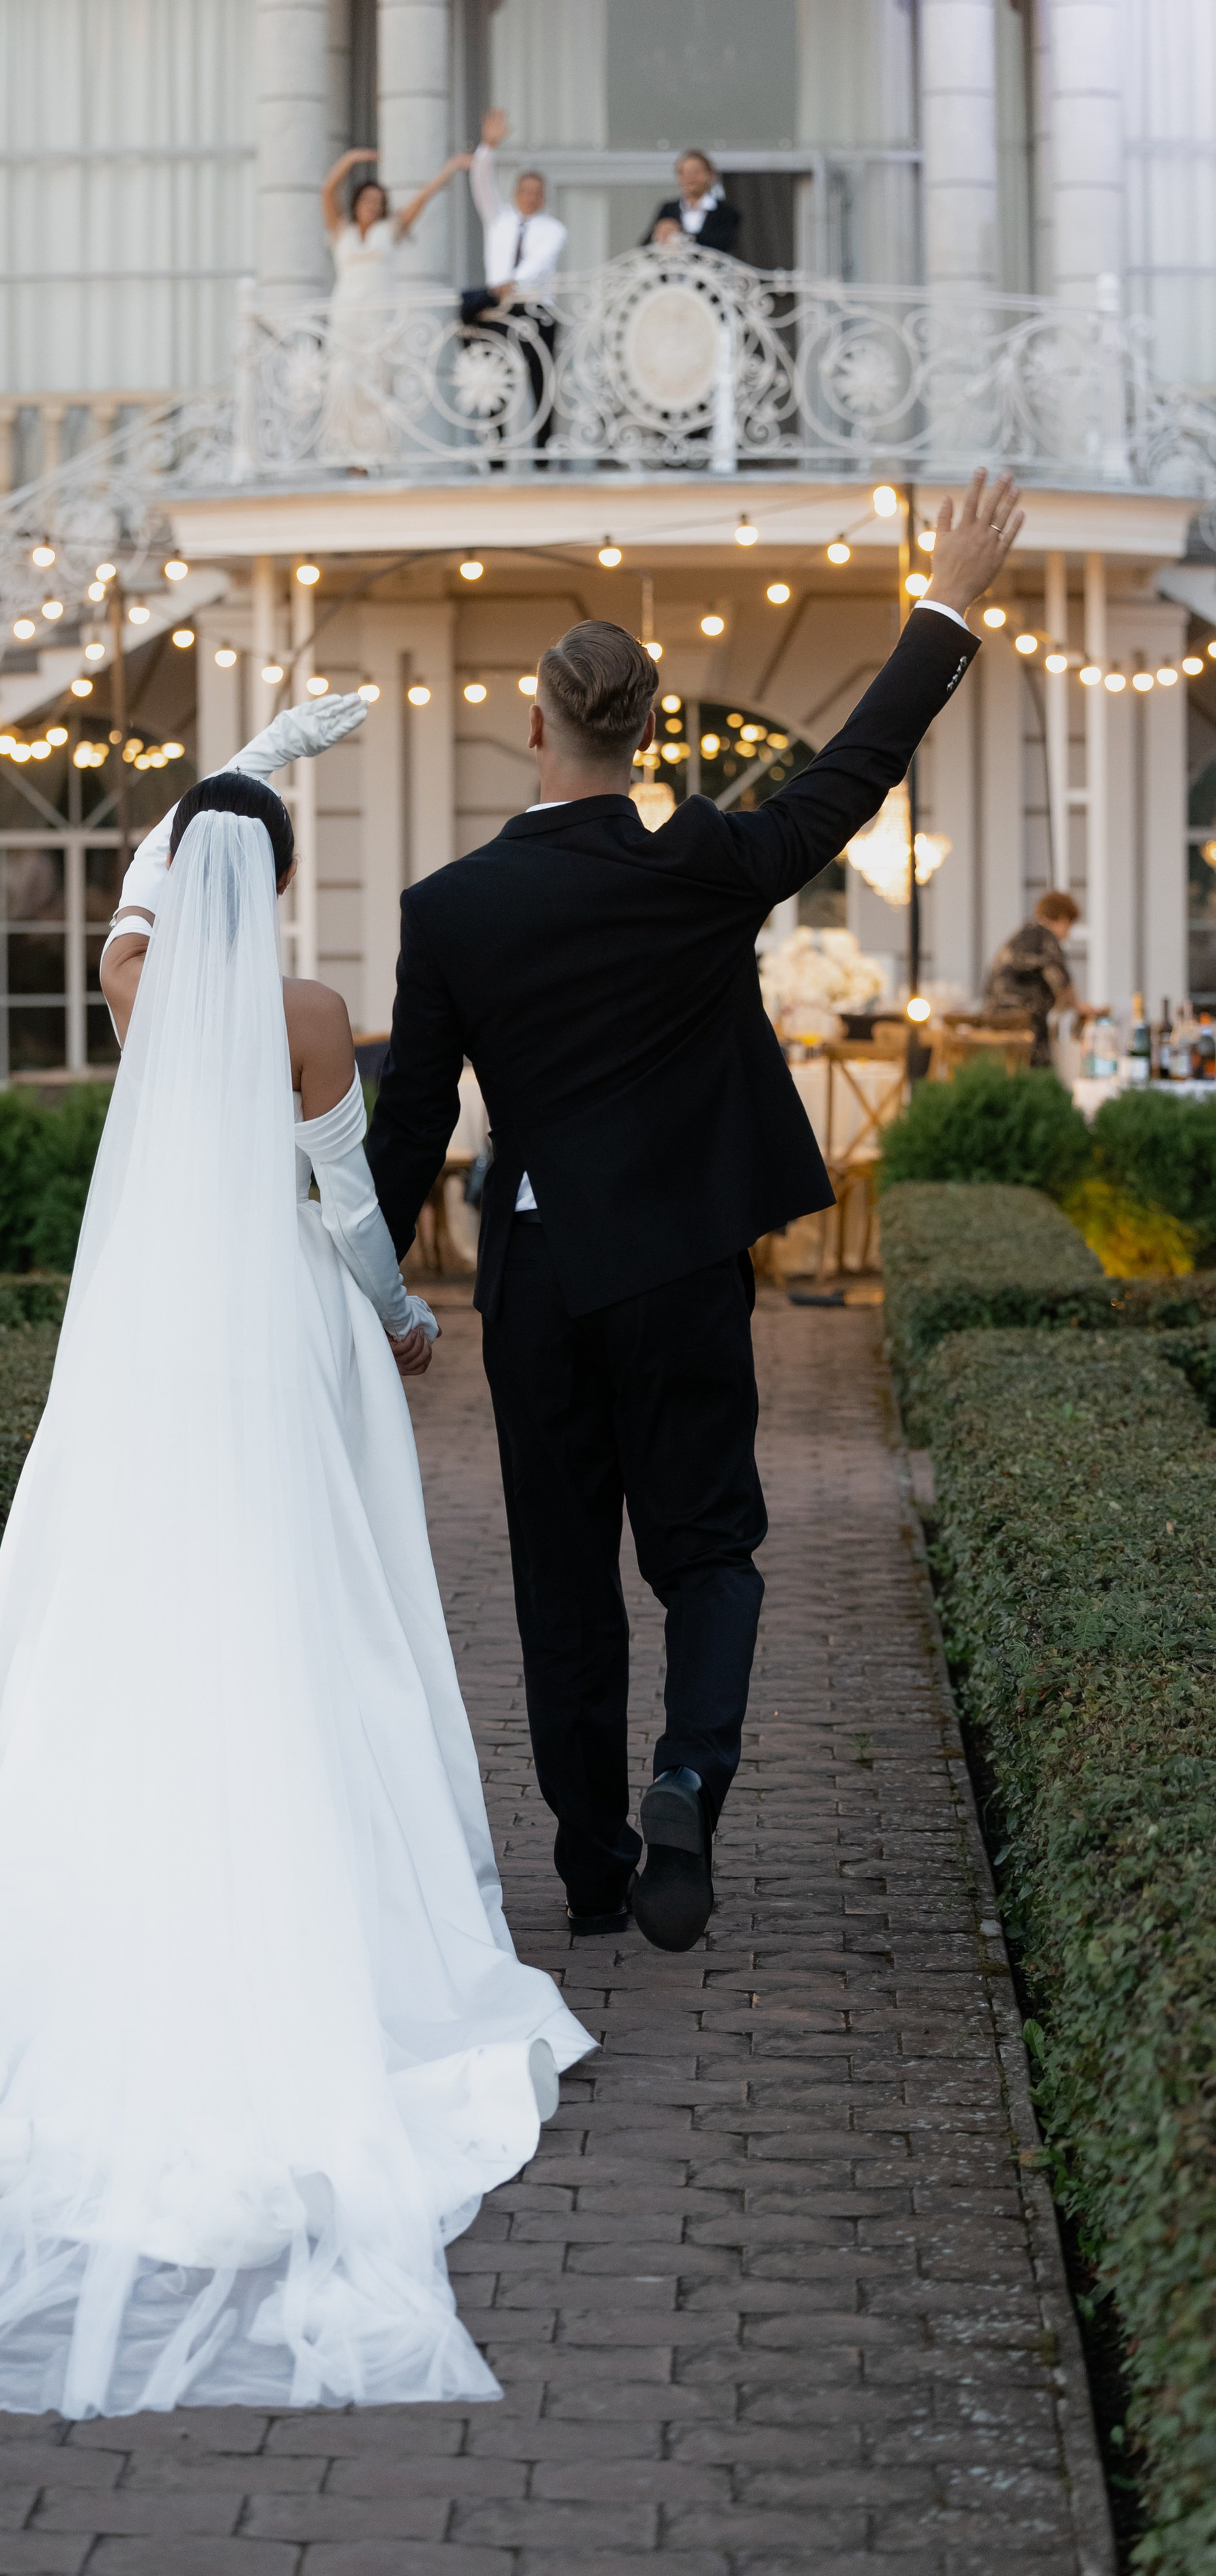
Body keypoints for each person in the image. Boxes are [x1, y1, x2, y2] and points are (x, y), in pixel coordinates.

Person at [0, 690, 592, 2422]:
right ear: (277, 888)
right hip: (275, 1333)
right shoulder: (308, 1015)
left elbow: (133, 901)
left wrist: (236, 769)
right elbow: (347, 1206)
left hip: (147, 1343)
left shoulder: (136, 987)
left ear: (178, 880)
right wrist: (406, 1315)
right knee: (302, 1611)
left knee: (139, 1605)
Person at [365, 471, 1025, 1954]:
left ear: (536, 727)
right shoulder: (706, 865)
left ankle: (594, 1869)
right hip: (678, 1266)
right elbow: (853, 770)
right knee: (709, 1549)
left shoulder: (449, 909)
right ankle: (686, 1777)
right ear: (646, 736)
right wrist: (946, 601)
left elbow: (408, 1124)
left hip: (540, 1282)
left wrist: (364, 1287)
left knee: (562, 1582)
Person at [320, 143, 473, 468]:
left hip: (379, 317)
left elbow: (425, 196)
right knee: (344, 381)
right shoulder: (342, 231)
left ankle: (374, 456)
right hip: (346, 316)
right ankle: (348, 457)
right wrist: (351, 159)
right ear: (357, 202)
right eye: (368, 200)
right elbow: (327, 191)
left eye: (379, 202)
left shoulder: (389, 231)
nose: (373, 206)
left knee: (378, 381)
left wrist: (451, 168)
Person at [467, 109, 568, 456]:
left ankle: (543, 456)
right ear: (515, 193)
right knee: (494, 382)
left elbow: (540, 262)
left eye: (537, 192)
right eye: (525, 190)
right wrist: (488, 148)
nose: (530, 197)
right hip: (498, 310)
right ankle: (494, 455)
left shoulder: (553, 228)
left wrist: (513, 282)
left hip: (535, 309)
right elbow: (481, 183)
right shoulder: (499, 220)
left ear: (544, 196)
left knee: (541, 382)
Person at [980, 888, 1086, 1063]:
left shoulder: (1022, 936)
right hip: (1024, 1022)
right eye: (1070, 927)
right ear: (1063, 919)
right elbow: (1062, 981)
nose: (1068, 934)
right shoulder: (1046, 937)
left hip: (994, 1018)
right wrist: (1080, 1008)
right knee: (1040, 1066)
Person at [643, 149, 742, 257]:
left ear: (711, 175)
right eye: (683, 173)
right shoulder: (668, 209)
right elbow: (645, 246)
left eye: (696, 172)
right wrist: (659, 233)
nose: (689, 178)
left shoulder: (726, 212)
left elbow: (722, 242)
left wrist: (679, 234)